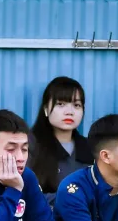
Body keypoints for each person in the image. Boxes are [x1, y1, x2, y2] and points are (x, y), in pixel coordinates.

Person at [29, 77, 93, 206]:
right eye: (61, 104)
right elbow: (24, 195)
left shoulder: (91, 147)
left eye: (76, 105)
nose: (69, 112)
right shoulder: (29, 146)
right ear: (46, 109)